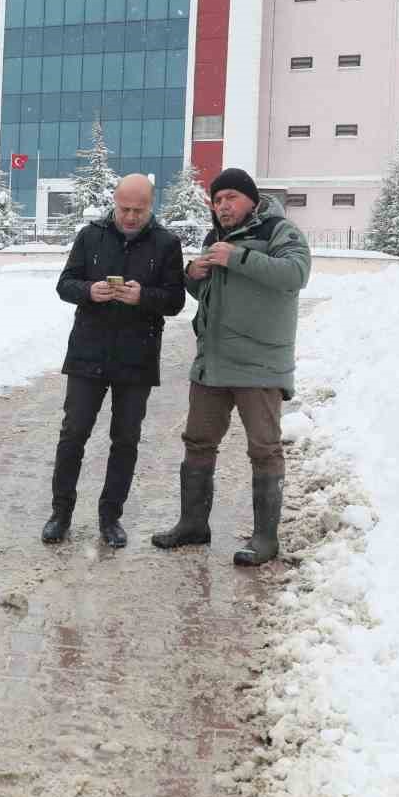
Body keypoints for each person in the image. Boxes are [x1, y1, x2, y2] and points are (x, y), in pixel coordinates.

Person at [151, 168, 310, 566]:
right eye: (217, 200)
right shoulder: (214, 239)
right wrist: (193, 275)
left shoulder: (280, 232)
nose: (223, 206)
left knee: (264, 450)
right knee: (198, 442)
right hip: (213, 363)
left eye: (232, 198)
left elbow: (295, 274)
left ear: (251, 200)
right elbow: (211, 293)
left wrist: (238, 257)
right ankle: (193, 524)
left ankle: (265, 539)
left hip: (260, 365)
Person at [44, 174, 186, 547]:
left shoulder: (167, 244)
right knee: (73, 434)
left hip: (137, 358)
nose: (130, 216)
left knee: (125, 440)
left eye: (139, 210)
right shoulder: (91, 236)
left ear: (150, 206)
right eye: (125, 208)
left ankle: (111, 518)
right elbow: (65, 284)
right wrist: (90, 290)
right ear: (115, 203)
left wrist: (144, 297)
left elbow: (175, 300)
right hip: (88, 353)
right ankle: (60, 513)